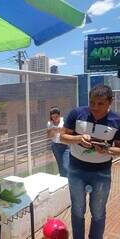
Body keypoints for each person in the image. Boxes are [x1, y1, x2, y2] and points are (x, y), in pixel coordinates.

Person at [60, 85, 120, 239]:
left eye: (100, 103)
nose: (95, 107)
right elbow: (62, 137)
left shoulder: (117, 121)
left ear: (110, 102)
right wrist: (78, 138)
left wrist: (107, 149)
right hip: (76, 171)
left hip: (101, 173)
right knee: (78, 210)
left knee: (98, 212)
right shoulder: (77, 113)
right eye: (92, 102)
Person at [47, 107, 70, 177]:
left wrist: (61, 130)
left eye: (56, 116)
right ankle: (63, 180)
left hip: (65, 145)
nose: (55, 118)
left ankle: (69, 180)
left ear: (59, 115)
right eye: (53, 117)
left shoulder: (64, 121)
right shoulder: (49, 123)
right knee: (60, 165)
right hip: (56, 146)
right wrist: (53, 131)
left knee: (66, 165)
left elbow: (69, 132)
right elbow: (49, 136)